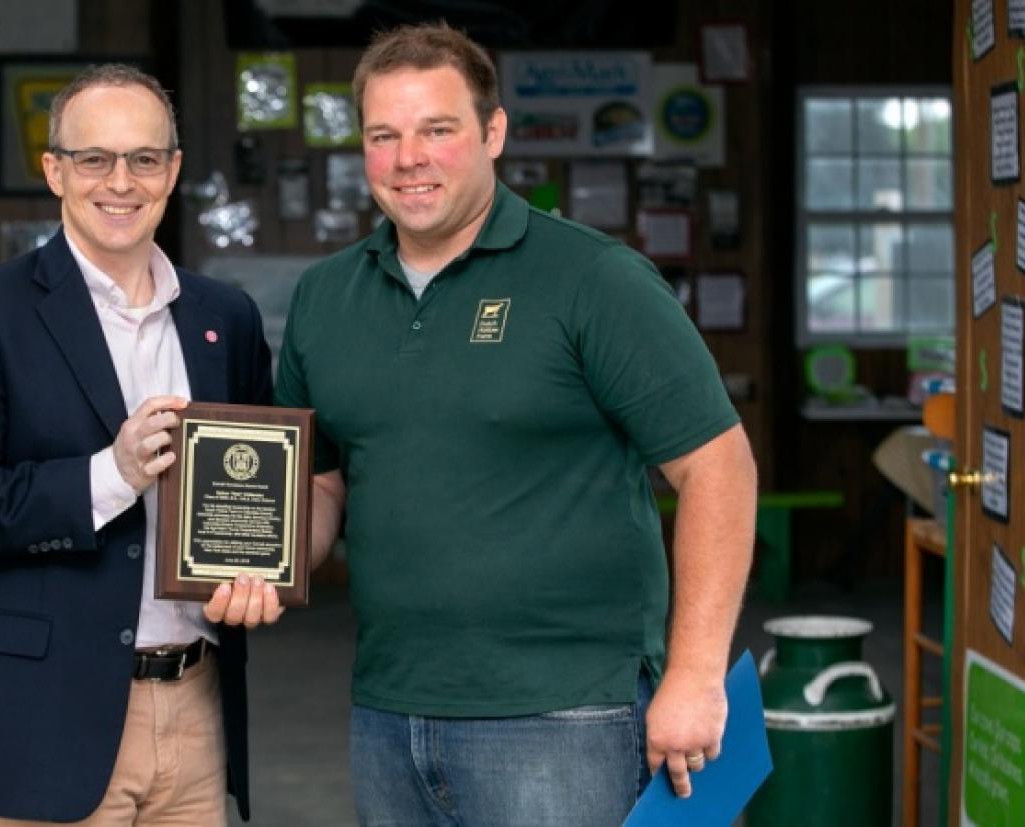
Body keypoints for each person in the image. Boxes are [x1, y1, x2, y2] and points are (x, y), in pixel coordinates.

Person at [276, 23, 758, 826]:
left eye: (438, 130)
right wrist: (265, 559)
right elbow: (323, 483)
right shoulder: (326, 296)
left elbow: (718, 465)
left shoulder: (593, 278)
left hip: (566, 716)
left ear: (493, 132)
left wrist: (696, 674)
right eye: (384, 136)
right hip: (389, 713)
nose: (409, 158)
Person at [0, 64, 280, 826]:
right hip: (43, 723)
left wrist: (257, 575)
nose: (121, 181)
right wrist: (112, 473)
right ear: (55, 170)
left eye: (144, 158)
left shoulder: (225, 317)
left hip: (198, 711)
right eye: (94, 158)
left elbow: (256, 494)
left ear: (172, 170)